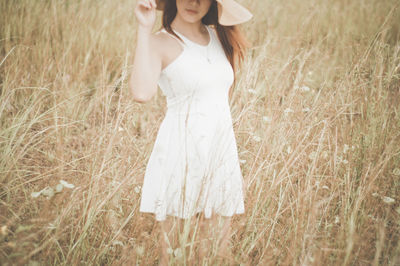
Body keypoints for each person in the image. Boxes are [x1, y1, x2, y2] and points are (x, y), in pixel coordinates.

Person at [130, 0, 252, 264]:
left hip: (220, 156)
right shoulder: (159, 42)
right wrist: (143, 28)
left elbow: (219, 102)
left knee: (219, 255)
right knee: (176, 255)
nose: (193, 2)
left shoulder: (218, 36)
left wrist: (233, 167)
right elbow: (141, 93)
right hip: (180, 157)